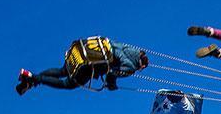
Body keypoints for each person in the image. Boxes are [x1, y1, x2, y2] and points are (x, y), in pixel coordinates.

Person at [16, 38, 149, 95]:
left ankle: (32, 79)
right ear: (141, 65)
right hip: (88, 65)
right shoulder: (131, 67)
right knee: (67, 84)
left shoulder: (128, 48)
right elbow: (112, 74)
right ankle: (34, 78)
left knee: (63, 71)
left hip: (82, 52)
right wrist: (112, 86)